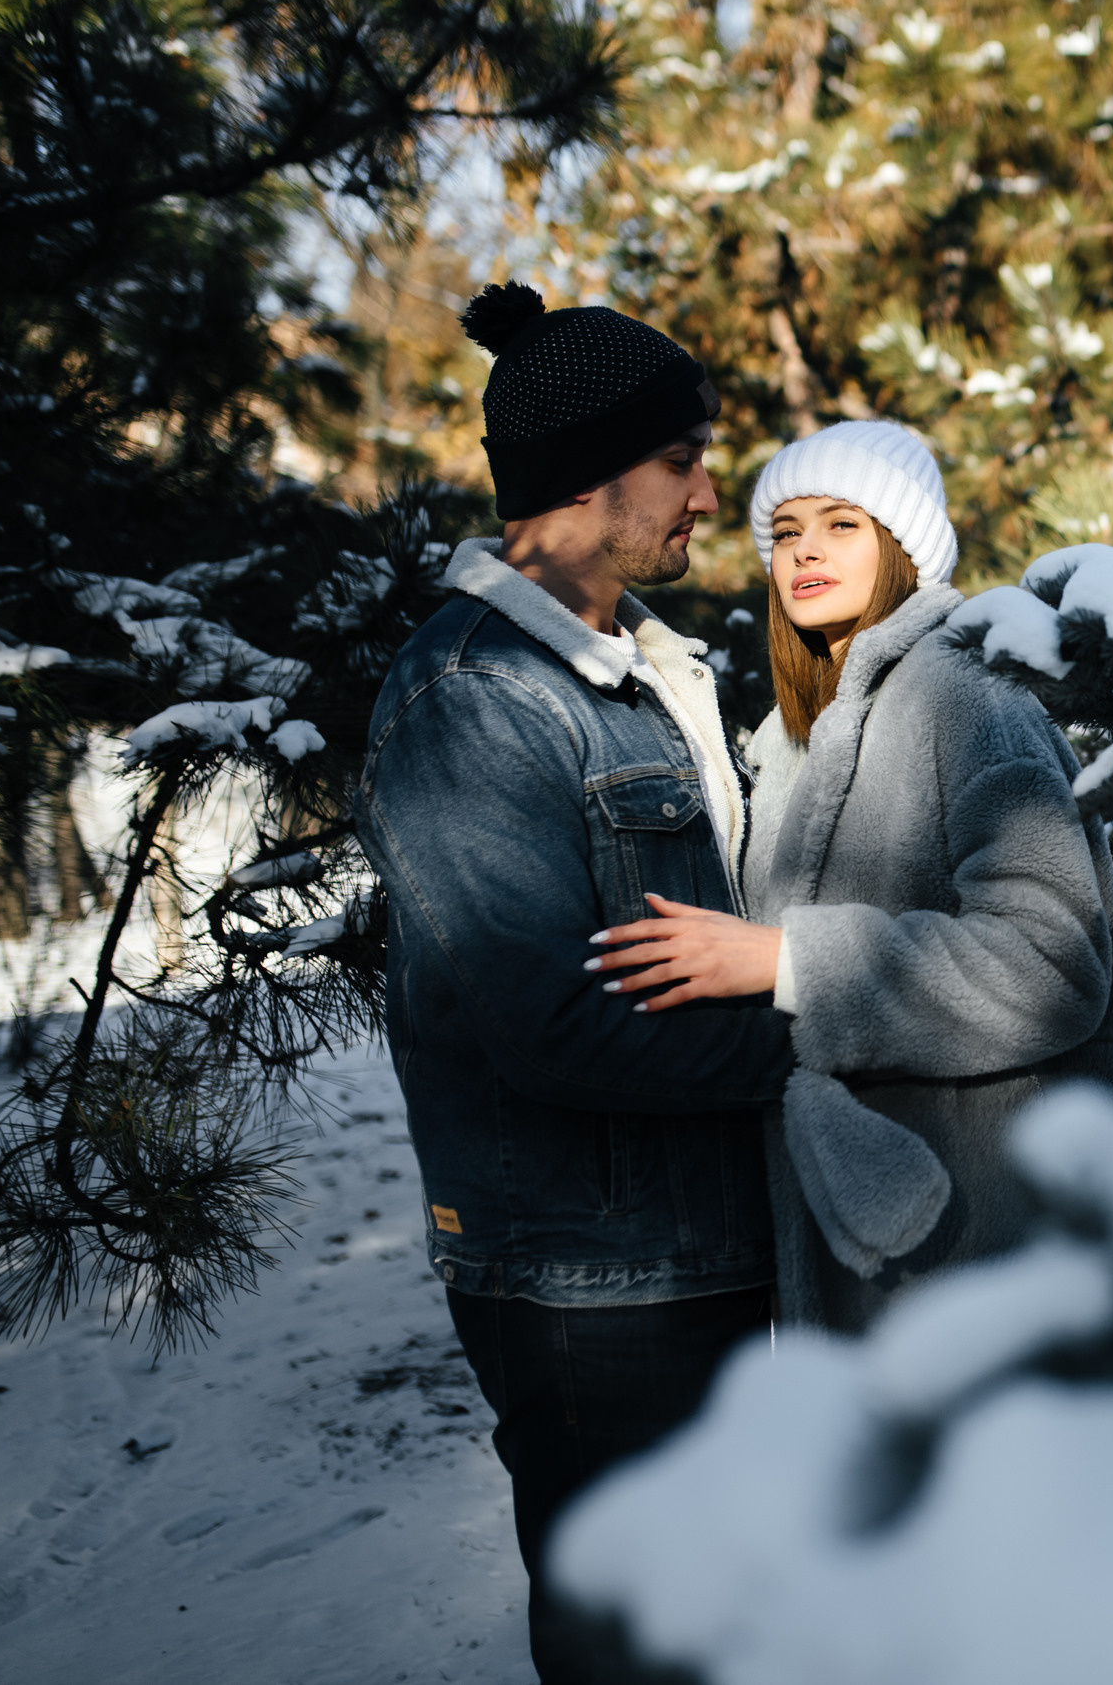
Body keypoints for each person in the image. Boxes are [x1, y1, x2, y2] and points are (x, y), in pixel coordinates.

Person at [356, 283, 790, 1684]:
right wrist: (817, 1029)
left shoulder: (648, 675)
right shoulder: (473, 698)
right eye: (683, 458)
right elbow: (545, 1018)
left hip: (702, 1249)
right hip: (592, 1284)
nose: (710, 492)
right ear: (588, 476)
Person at [581, 421, 1113, 1328]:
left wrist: (790, 962)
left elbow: (1055, 963)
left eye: (842, 524)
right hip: (863, 1238)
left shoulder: (971, 696)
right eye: (788, 531)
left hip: (991, 1250)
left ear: (901, 546)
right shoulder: (786, 737)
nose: (805, 550)